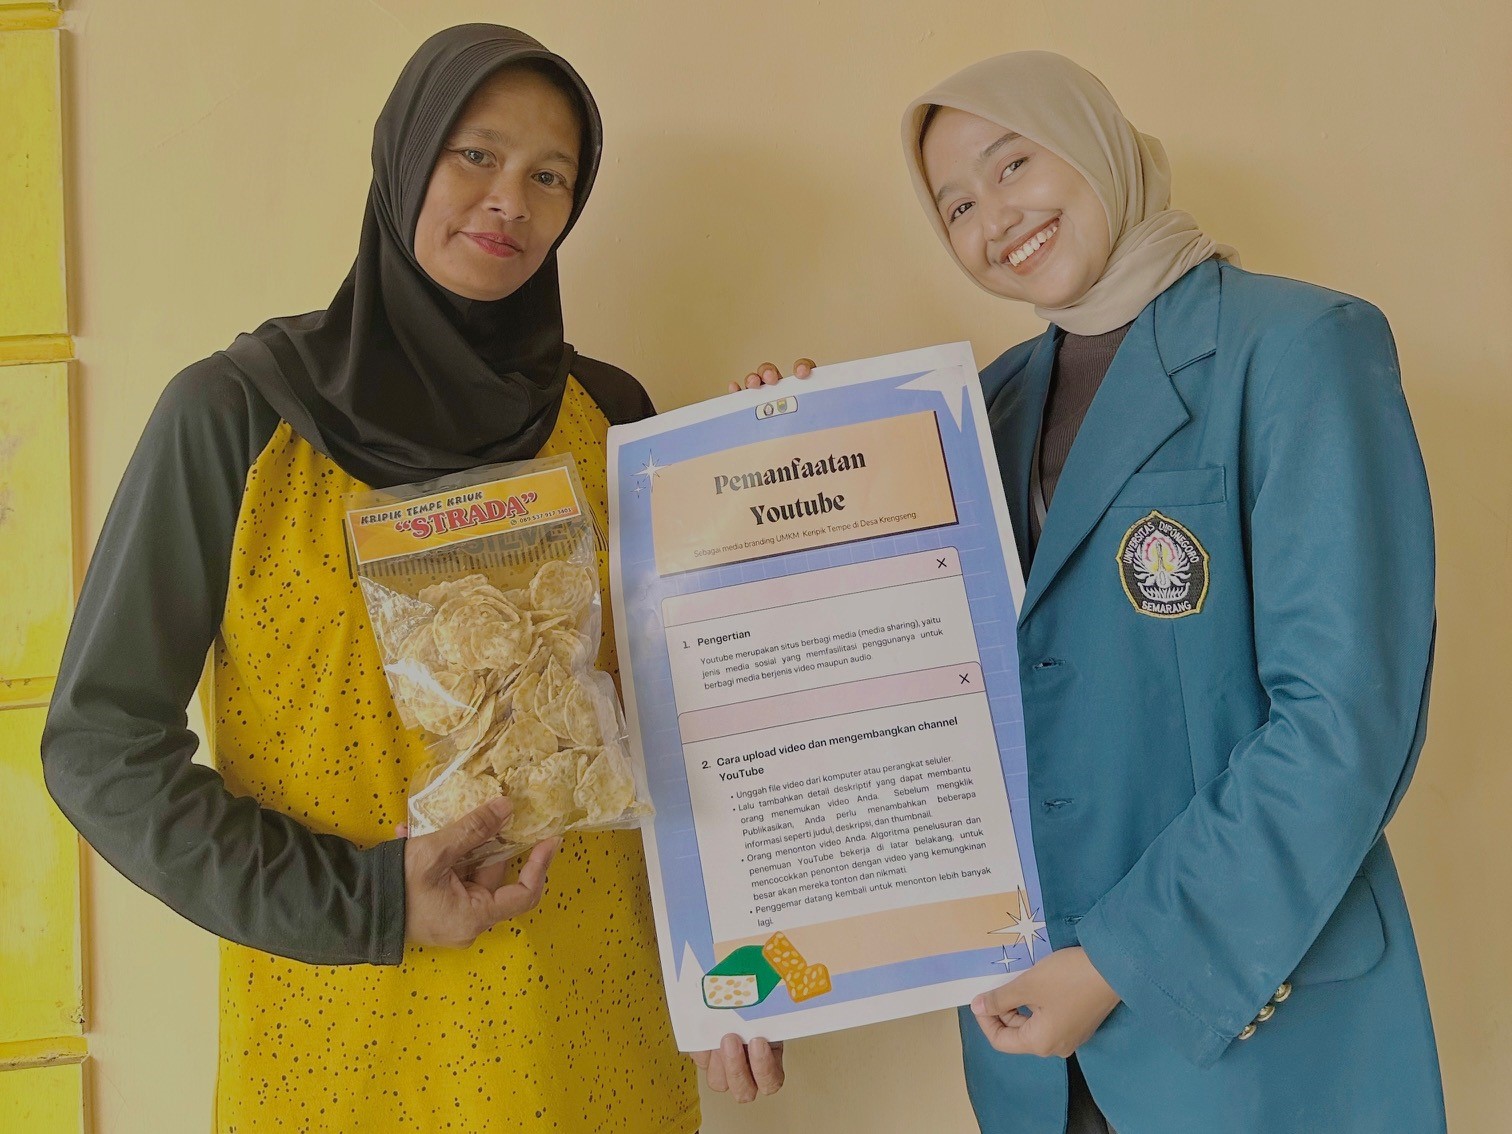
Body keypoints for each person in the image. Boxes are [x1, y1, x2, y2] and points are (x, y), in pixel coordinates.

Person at [736, 50, 1443, 1133]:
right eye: (956, 205)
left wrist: (1118, 961)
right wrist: (780, 450)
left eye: (1014, 163)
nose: (996, 218)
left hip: (1251, 1027)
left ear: (1095, 142)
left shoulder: (1300, 346)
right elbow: (899, 695)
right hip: (1031, 1057)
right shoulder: (980, 410)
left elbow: (1343, 725)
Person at [41, 24, 705, 1131]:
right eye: (475, 154)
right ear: (404, 158)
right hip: (342, 1056)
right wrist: (362, 903)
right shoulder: (237, 416)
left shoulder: (613, 417)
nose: (511, 201)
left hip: (595, 1046)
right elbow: (97, 746)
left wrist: (780, 442)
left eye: (552, 176)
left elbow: (705, 706)